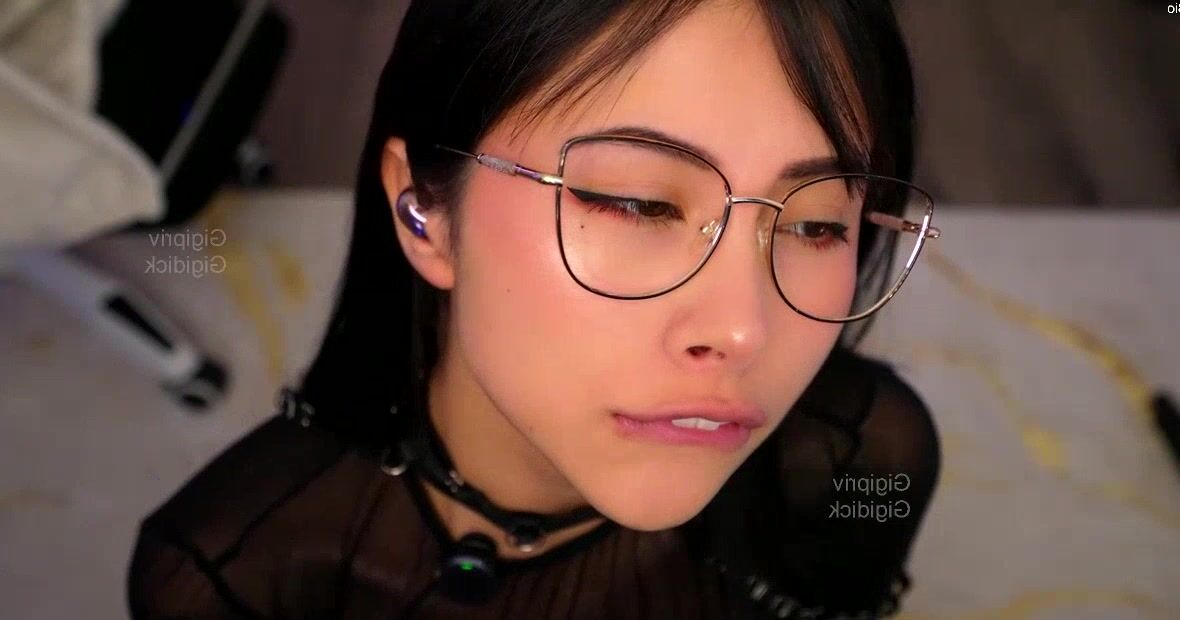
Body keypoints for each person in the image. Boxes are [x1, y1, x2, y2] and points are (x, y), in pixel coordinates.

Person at [126, 0, 943, 618]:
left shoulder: (861, 461)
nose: (742, 329)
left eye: (815, 224)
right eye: (638, 204)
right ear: (423, 210)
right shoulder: (232, 568)